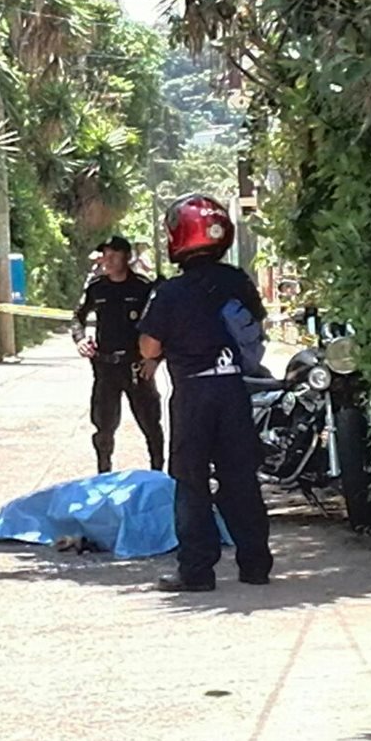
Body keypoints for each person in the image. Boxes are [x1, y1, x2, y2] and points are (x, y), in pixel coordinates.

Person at [137, 193, 273, 592]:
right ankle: (255, 566)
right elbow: (256, 326)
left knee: (191, 481)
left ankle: (196, 571)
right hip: (234, 389)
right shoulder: (238, 281)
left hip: (194, 394)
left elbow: (149, 348)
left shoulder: (171, 292)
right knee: (241, 479)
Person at [71, 234, 164, 473]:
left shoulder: (143, 288)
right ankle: (104, 472)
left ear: (127, 257)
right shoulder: (96, 288)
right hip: (106, 368)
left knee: (151, 425)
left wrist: (155, 359)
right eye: (105, 256)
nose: (108, 261)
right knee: (104, 427)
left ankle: (158, 473)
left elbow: (163, 325)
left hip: (136, 367)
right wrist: (80, 340)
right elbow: (77, 318)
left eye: (114, 255)